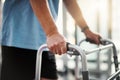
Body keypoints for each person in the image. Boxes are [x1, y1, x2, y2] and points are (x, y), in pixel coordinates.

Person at [0, 0, 101, 80]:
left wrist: (86, 30)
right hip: (18, 37)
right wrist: (52, 32)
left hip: (45, 42)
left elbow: (70, 1)